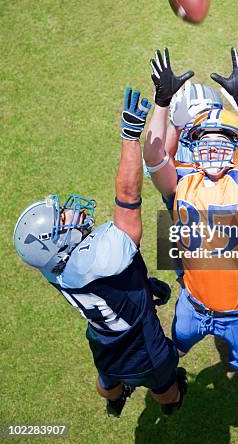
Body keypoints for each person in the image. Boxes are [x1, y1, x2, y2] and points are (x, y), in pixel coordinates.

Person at [13, 89, 187, 417]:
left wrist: (142, 287)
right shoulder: (105, 255)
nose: (72, 214)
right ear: (60, 246)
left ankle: (113, 399)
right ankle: (171, 405)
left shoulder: (52, 267)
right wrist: (129, 135)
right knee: (167, 387)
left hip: (103, 340)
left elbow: (108, 284)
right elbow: (127, 194)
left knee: (108, 378)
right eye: (63, 221)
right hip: (143, 348)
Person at [144, 46, 238, 379]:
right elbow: (154, 159)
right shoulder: (183, 179)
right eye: (205, 140)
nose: (213, 147)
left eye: (223, 141)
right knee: (178, 343)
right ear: (193, 143)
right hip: (192, 304)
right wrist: (161, 105)